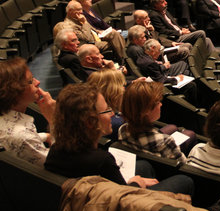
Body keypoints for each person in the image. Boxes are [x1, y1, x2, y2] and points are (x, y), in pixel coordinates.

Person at [44, 83, 196, 194]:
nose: (112, 115)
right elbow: (122, 200)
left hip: (91, 194)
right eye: (106, 111)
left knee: (144, 166)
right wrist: (135, 183)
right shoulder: (101, 161)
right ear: (91, 122)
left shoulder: (56, 149)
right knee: (184, 181)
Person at [0, 57, 56, 166]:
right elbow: (58, 163)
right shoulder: (23, 136)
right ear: (14, 92)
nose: (38, 82)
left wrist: (45, 136)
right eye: (30, 81)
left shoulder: (7, 116)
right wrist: (53, 120)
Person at [119, 81, 193, 160]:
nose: (161, 104)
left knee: (173, 127)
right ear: (146, 111)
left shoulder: (122, 129)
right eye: (158, 102)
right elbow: (183, 165)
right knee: (190, 134)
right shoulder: (166, 141)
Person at [61, 0, 126, 64]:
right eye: (78, 10)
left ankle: (124, 58)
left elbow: (92, 29)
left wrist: (100, 31)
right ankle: (124, 60)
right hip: (89, 43)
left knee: (114, 33)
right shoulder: (69, 25)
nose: (81, 12)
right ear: (70, 11)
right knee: (115, 42)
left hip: (96, 36)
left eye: (81, 9)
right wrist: (84, 23)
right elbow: (88, 38)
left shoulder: (79, 18)